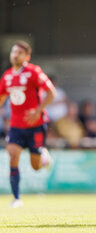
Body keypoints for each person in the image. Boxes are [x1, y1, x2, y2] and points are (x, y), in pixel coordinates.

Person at [0, 41, 56, 208]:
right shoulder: (7, 76)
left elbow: (51, 93)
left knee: (36, 166)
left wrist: (38, 110)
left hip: (35, 125)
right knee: (12, 155)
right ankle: (16, 198)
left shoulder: (34, 72)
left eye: (19, 52)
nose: (15, 55)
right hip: (16, 127)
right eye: (13, 52)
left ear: (27, 56)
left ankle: (44, 157)